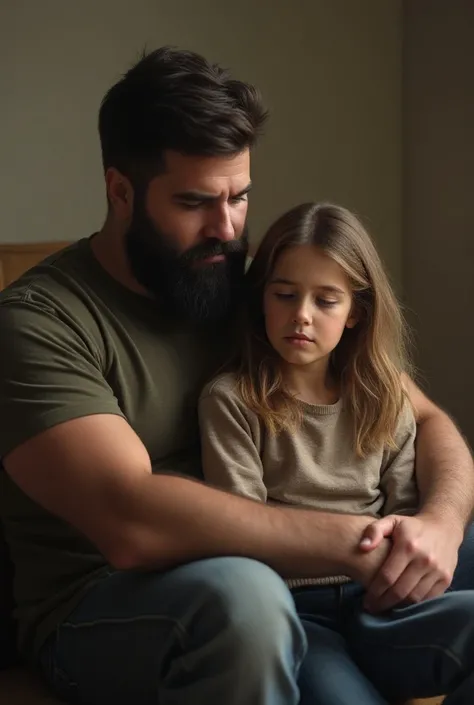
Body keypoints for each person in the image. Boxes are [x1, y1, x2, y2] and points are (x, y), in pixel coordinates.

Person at [0, 47, 472, 705]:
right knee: (245, 597)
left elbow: (421, 416)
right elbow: (132, 521)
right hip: (107, 605)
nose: (226, 228)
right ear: (121, 191)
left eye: (239, 196)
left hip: (306, 578)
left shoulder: (253, 293)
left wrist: (440, 525)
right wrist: (360, 540)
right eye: (195, 202)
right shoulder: (40, 323)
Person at [199, 201, 474, 703]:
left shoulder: (382, 394)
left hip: (388, 601)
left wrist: (411, 551)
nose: (300, 315)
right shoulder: (231, 400)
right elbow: (239, 530)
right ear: (262, 298)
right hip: (302, 611)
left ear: (355, 314)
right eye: (285, 294)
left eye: (326, 301)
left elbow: (404, 507)